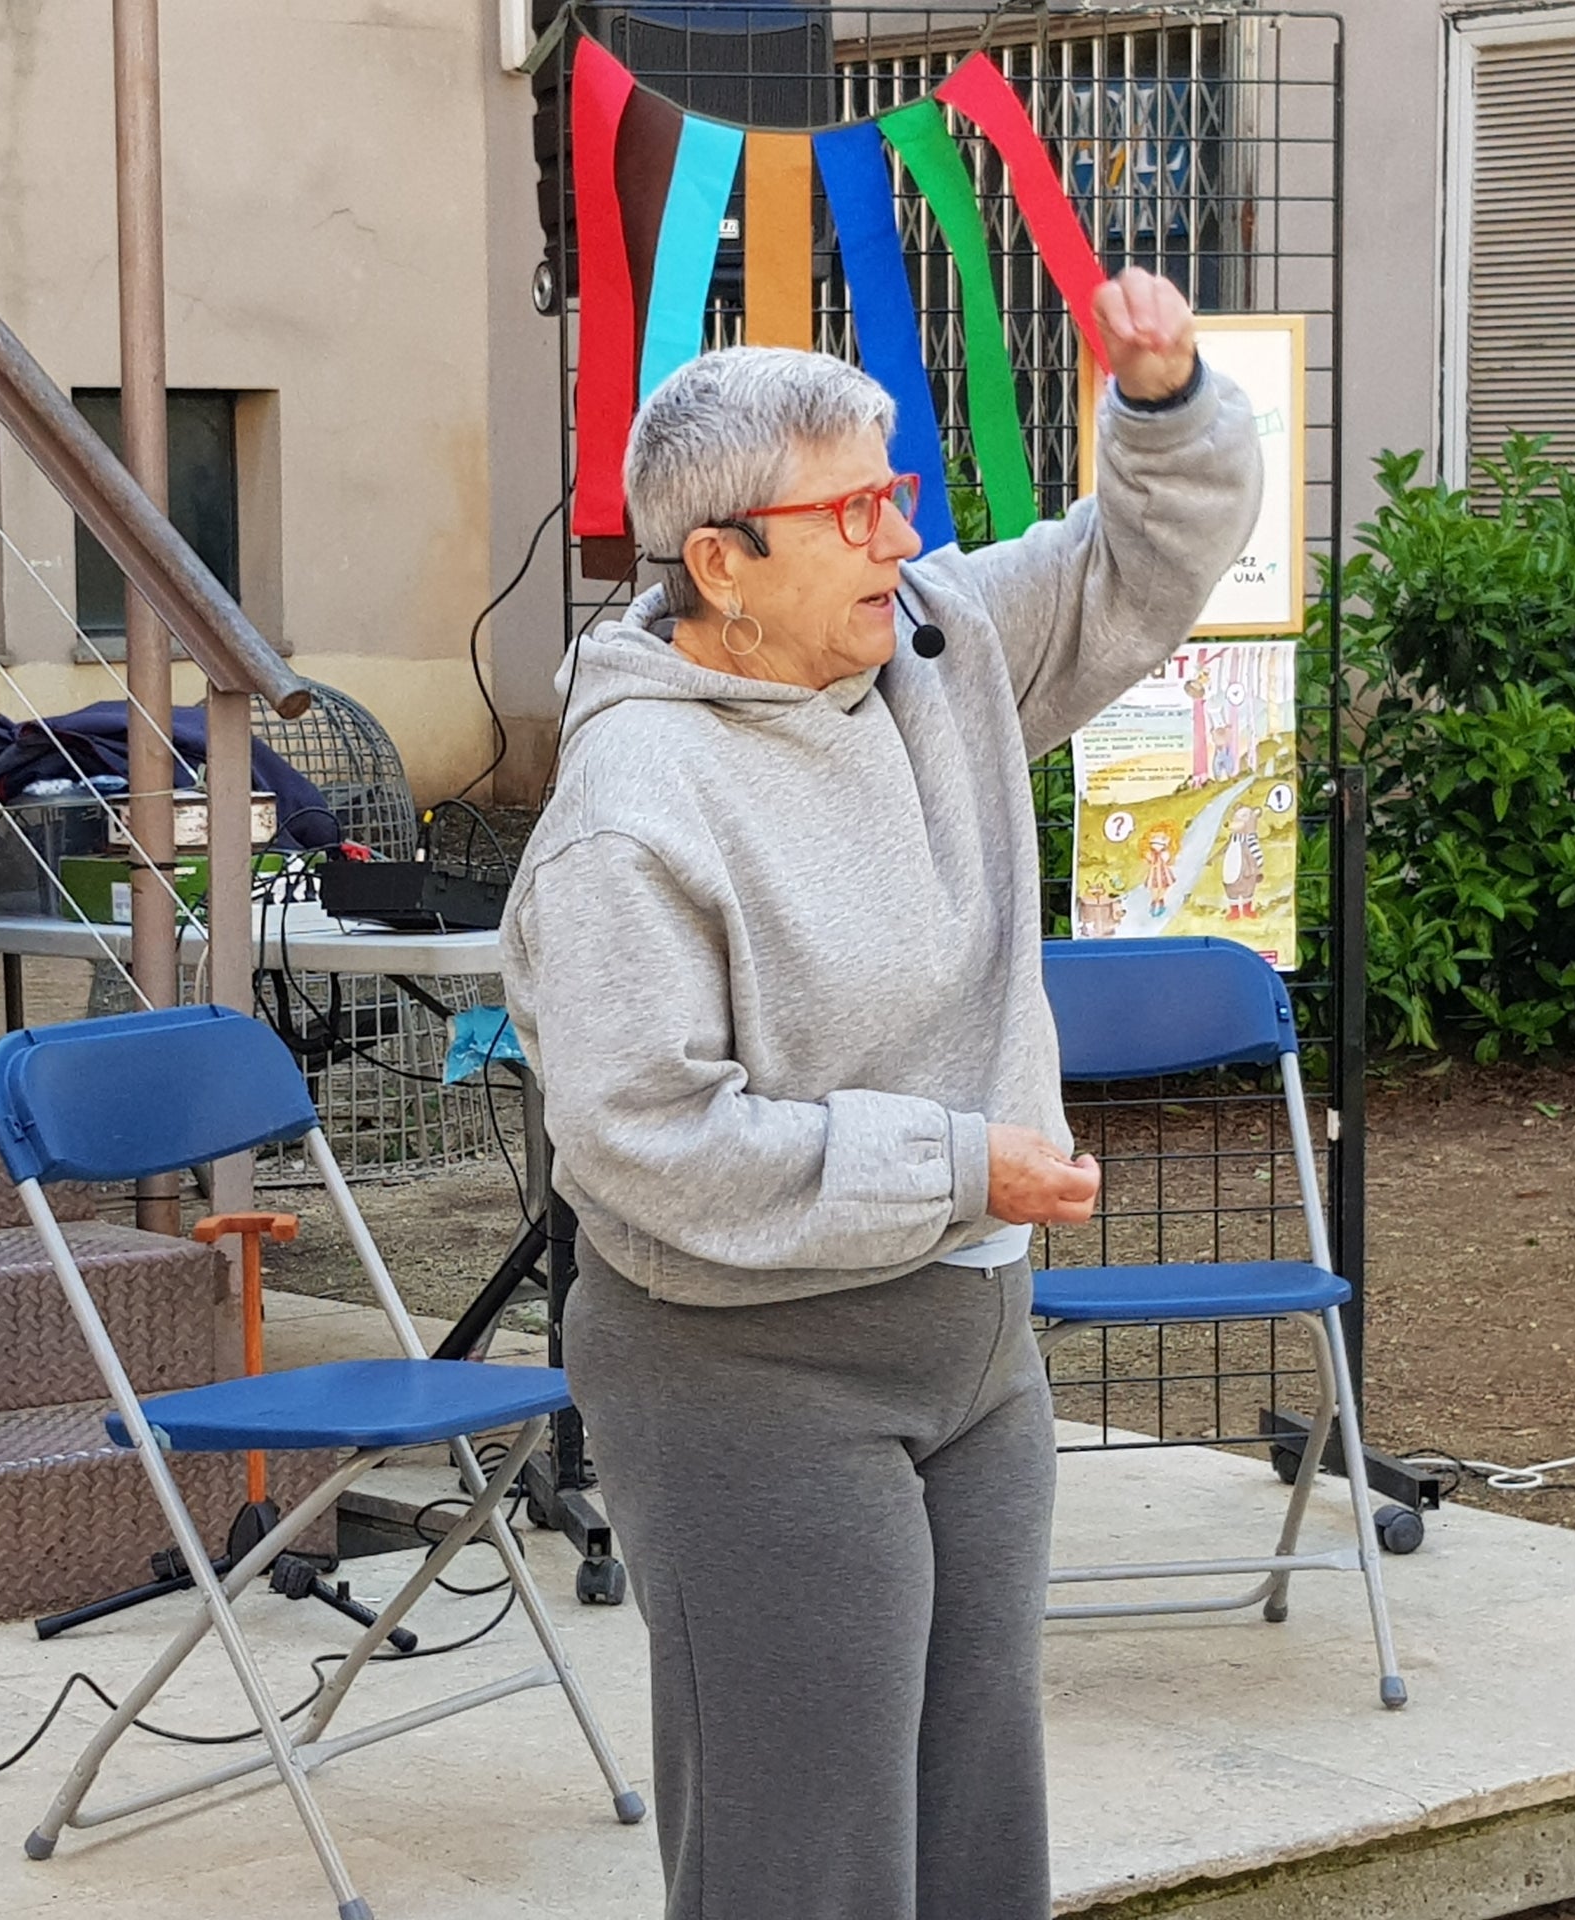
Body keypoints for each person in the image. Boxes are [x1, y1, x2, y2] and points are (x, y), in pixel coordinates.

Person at [499, 266, 1261, 1920]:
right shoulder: (634, 813)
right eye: (854, 509)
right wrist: (954, 1164)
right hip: (746, 1370)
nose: (900, 537)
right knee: (808, 1851)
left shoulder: (936, 647)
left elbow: (1138, 565)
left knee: (974, 1817)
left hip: (972, 1344)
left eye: (897, 491)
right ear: (722, 562)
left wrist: (1159, 401)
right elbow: (643, 1141)